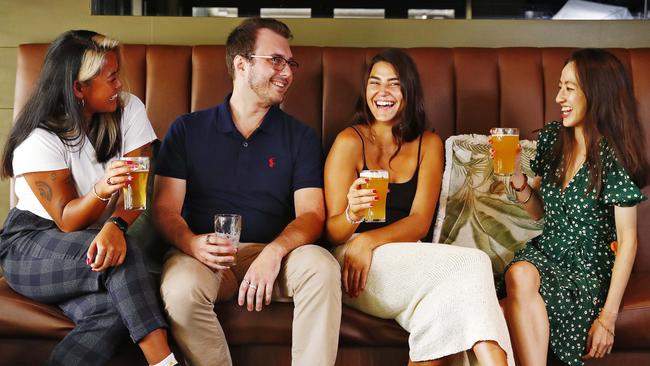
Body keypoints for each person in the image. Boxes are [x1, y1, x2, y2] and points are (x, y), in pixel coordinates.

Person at [153, 18, 341, 366]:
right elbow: (165, 210)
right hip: (203, 256)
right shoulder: (188, 130)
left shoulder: (299, 137)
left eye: (290, 63)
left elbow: (312, 214)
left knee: (322, 266)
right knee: (180, 290)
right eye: (276, 61)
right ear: (241, 64)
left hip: (277, 256)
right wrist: (193, 243)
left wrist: (274, 252)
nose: (287, 72)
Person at [324, 48, 513, 366]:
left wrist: (372, 240)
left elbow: (420, 222)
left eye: (394, 84)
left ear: (408, 92)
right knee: (470, 264)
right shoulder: (349, 141)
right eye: (375, 83)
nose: (382, 92)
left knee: (440, 313)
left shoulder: (429, 143)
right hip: (356, 264)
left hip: (411, 261)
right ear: (366, 90)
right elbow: (333, 231)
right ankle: (496, 359)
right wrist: (352, 216)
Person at [0, 30, 177, 366]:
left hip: (89, 238)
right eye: (110, 78)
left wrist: (114, 225)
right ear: (78, 88)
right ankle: (165, 362)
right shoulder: (38, 139)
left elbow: (136, 195)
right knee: (121, 256)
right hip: (32, 244)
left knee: (114, 312)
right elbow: (68, 220)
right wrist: (101, 191)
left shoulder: (129, 109)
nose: (119, 85)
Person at [499, 48, 648, 366]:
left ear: (596, 93)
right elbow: (539, 213)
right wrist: (518, 179)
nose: (558, 97)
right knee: (519, 275)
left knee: (499, 314)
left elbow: (629, 241)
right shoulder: (553, 138)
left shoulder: (611, 154)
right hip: (544, 257)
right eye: (559, 86)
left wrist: (607, 318)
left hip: (586, 272)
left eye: (570, 88)